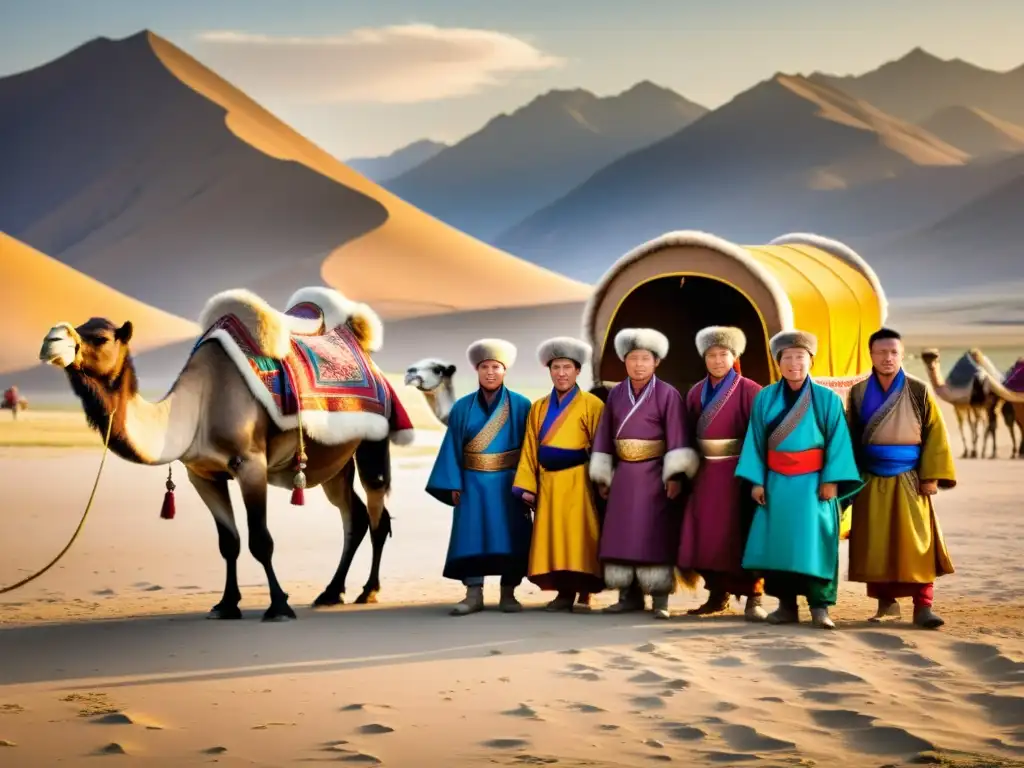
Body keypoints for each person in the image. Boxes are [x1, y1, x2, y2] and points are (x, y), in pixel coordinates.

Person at [736, 330, 862, 630]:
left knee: (816, 541)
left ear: (811, 361)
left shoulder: (827, 399)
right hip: (776, 483)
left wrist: (832, 479)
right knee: (780, 544)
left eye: (800, 357)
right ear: (778, 362)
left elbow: (839, 441)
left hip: (814, 484)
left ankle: (820, 608)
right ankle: (786, 606)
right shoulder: (765, 397)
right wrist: (757, 481)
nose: (794, 363)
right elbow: (755, 441)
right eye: (787, 358)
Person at [846, 327, 956, 629]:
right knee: (877, 542)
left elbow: (936, 433)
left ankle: (923, 606)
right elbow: (851, 437)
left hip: (910, 477)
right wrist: (849, 477)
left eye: (893, 352)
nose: (887, 358)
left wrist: (931, 475)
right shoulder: (857, 393)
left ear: (902, 354)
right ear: (870, 354)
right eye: (881, 352)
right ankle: (886, 603)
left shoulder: (919, 390)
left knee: (917, 541)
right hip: (869, 476)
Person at [589, 327, 697, 619]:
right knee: (622, 534)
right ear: (625, 361)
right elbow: (604, 435)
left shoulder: (668, 394)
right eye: (633, 358)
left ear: (656, 362)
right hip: (623, 475)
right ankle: (628, 596)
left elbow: (677, 435)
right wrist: (603, 474)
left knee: (654, 535)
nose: (638, 364)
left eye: (645, 358)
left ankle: (660, 600)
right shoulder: (615, 396)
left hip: (655, 476)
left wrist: (675, 475)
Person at [425, 338, 533, 616]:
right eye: (485, 366)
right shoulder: (462, 407)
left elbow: (530, 449)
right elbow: (452, 446)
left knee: (511, 537)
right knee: (472, 537)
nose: (490, 372)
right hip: (471, 483)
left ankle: (508, 594)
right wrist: (452, 483)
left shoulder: (522, 405)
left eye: (496, 367)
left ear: (504, 370)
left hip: (509, 484)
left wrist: (528, 484)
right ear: (477, 370)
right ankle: (473, 594)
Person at [678, 326, 766, 621]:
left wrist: (756, 477)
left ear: (734, 356)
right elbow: (687, 434)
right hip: (704, 474)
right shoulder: (695, 392)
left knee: (740, 533)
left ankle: (754, 596)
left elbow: (759, 437)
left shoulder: (751, 390)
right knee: (705, 535)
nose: (717, 360)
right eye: (712, 355)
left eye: (723, 354)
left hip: (738, 474)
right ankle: (717, 594)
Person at [512, 336, 606, 611]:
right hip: (549, 483)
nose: (561, 373)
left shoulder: (592, 405)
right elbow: (530, 447)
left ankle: (582, 590)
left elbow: (600, 448)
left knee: (579, 538)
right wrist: (528, 485)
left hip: (579, 483)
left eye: (567, 367)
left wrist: (600, 481)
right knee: (555, 539)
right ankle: (564, 591)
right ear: (549, 371)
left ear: (578, 371)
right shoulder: (539, 407)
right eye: (556, 368)